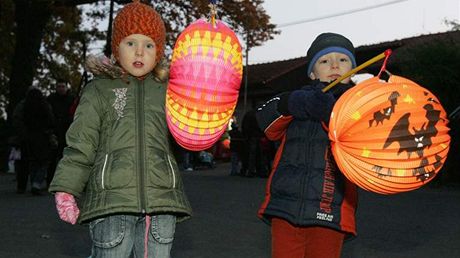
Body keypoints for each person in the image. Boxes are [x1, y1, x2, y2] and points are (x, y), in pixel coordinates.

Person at [48, 1, 192, 257]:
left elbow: (186, 135)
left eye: (148, 45)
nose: (139, 53)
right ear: (116, 47)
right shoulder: (99, 90)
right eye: (130, 43)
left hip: (161, 202)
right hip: (112, 203)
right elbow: (82, 143)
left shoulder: (169, 92)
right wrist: (66, 188)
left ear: (158, 51)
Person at [255, 32, 358, 258]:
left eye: (342, 60)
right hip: (285, 206)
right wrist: (292, 103)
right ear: (312, 72)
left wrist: (333, 113)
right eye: (324, 60)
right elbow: (265, 122)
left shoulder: (360, 105)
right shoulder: (297, 98)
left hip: (330, 208)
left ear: (354, 70)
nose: (334, 65)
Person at [12, 87, 56, 195]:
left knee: (29, 162)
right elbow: (51, 120)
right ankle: (36, 183)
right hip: (42, 136)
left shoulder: (23, 105)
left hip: (28, 136)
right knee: (43, 161)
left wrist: (22, 133)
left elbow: (16, 119)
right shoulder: (44, 105)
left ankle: (27, 184)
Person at [46, 80, 75, 186]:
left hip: (68, 131)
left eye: (63, 86)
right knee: (53, 159)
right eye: (59, 86)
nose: (61, 88)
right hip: (55, 131)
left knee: (67, 158)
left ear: (66, 87)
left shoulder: (72, 99)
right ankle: (51, 181)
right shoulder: (50, 99)